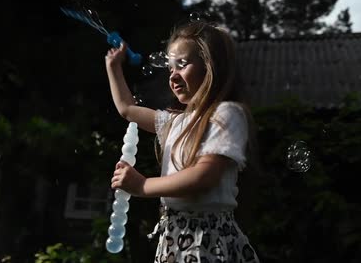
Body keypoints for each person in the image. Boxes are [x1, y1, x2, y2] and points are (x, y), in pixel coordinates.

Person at [105, 21, 261, 262]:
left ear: (211, 67)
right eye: (170, 69)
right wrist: (113, 67)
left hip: (207, 240)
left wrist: (143, 185)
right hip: (173, 238)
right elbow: (127, 109)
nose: (173, 75)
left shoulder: (226, 114)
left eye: (182, 64)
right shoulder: (174, 123)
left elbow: (203, 177)